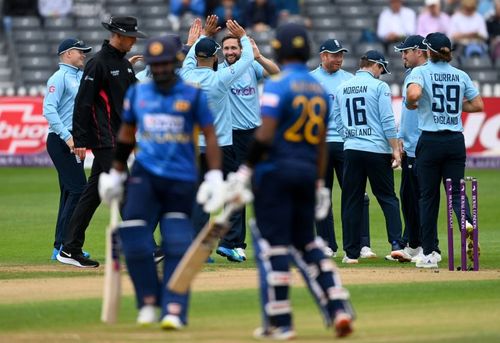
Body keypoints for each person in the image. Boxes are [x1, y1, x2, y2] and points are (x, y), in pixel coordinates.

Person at [226, 22, 354, 340]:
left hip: (276, 175)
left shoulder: (279, 84)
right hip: (308, 174)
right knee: (308, 243)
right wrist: (320, 185)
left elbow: (265, 133)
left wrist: (245, 171)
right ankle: (338, 306)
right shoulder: (319, 90)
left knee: (273, 247)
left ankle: (281, 321)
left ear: (280, 49)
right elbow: (322, 143)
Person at [98, 35, 224, 329]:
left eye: (166, 64)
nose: (161, 70)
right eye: (156, 65)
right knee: (134, 240)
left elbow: (211, 135)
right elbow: (127, 134)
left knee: (178, 241)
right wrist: (116, 172)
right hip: (145, 174)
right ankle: (148, 303)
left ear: (177, 63)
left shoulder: (191, 94)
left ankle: (175, 308)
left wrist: (216, 175)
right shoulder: (138, 94)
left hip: (181, 177)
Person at [56, 16, 147, 268]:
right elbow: (82, 103)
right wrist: (80, 139)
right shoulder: (97, 63)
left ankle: (69, 247)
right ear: (117, 35)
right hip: (104, 137)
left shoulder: (124, 65)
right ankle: (142, 246)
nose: (133, 42)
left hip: (118, 136)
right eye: (131, 37)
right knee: (126, 188)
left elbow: (139, 92)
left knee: (93, 192)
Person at [405, 32, 483, 268]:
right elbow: (478, 105)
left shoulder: (420, 71)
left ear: (428, 51)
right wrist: (453, 103)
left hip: (430, 140)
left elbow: (414, 94)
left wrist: (412, 102)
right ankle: (467, 223)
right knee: (457, 193)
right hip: (455, 141)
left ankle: (429, 253)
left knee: (428, 197)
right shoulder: (460, 75)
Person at [180, 16, 254, 263]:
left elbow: (191, 56)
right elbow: (248, 59)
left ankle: (199, 248)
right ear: (215, 58)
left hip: (193, 147)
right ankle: (230, 243)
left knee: (199, 197)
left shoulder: (185, 75)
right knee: (233, 191)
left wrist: (203, 37)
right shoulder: (219, 79)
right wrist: (242, 36)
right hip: (220, 147)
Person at [332, 50, 404, 264]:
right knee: (387, 198)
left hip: (352, 149)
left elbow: (337, 119)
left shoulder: (342, 87)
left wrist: (350, 138)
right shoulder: (379, 87)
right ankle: (397, 245)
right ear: (377, 65)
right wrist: (395, 149)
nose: (382, 73)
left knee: (351, 201)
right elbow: (387, 120)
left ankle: (350, 253)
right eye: (382, 69)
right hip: (376, 150)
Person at [310, 39, 375, 259]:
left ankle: (362, 244)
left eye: (340, 54)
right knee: (322, 195)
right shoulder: (309, 81)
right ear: (322, 56)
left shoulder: (350, 79)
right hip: (318, 145)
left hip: (347, 143)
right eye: (333, 54)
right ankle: (327, 244)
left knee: (357, 195)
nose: (338, 58)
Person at [218, 32, 280, 260]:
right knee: (235, 189)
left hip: (253, 135)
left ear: (241, 50)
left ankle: (263, 240)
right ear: (221, 51)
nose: (230, 52)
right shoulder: (219, 71)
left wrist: (259, 56)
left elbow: (277, 73)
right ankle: (232, 242)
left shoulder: (251, 66)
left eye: (234, 48)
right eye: (226, 49)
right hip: (229, 136)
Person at [43, 38, 92, 260]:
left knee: (69, 192)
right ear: (68, 53)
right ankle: (65, 246)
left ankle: (60, 246)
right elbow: (49, 110)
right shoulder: (59, 77)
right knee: (79, 190)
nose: (84, 55)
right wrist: (68, 137)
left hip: (74, 141)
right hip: (61, 142)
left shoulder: (79, 76)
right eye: (80, 51)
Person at [389, 35, 428, 263]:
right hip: (411, 145)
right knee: (408, 197)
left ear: (418, 51)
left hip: (421, 146)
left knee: (421, 198)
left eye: (406, 51)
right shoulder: (412, 74)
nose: (402, 55)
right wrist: (400, 137)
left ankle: (427, 246)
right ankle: (414, 244)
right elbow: (407, 114)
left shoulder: (421, 74)